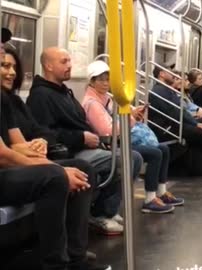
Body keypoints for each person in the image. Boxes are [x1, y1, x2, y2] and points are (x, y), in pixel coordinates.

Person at [0, 35, 110, 270]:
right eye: (3, 64)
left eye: (10, 65)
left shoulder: (7, 101)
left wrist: (38, 145)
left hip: (10, 166)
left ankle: (75, 254)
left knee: (83, 169)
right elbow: (3, 155)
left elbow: (18, 145)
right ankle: (55, 263)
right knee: (55, 177)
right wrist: (57, 168)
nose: (9, 72)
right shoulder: (39, 96)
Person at [26, 47, 143, 235]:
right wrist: (80, 138)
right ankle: (100, 214)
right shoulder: (41, 96)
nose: (70, 65)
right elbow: (44, 134)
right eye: (64, 62)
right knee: (128, 160)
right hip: (67, 152)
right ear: (48, 65)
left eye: (69, 61)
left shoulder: (64, 92)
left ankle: (104, 209)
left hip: (82, 146)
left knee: (132, 156)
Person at [82, 60, 184, 214]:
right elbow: (107, 131)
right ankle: (150, 199)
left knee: (164, 148)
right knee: (155, 153)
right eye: (101, 80)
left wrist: (134, 113)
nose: (106, 83)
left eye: (108, 79)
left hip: (119, 140)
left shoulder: (106, 99)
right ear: (92, 82)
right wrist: (131, 119)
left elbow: (121, 114)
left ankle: (161, 192)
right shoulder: (92, 104)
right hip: (109, 144)